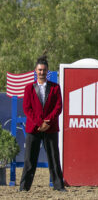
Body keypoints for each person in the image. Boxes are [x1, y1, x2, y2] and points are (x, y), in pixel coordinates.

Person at [19, 56, 66, 192]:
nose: (42, 72)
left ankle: (59, 186)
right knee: (29, 159)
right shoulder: (28, 88)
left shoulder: (55, 88)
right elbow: (27, 108)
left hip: (51, 129)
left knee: (54, 158)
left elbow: (58, 107)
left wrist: (48, 122)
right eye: (39, 70)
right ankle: (24, 187)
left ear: (48, 71)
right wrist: (40, 123)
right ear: (36, 70)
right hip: (34, 128)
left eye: (44, 70)